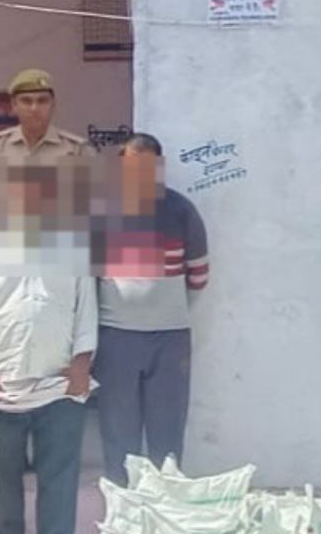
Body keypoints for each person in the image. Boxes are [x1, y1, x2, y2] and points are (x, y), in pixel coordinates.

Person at [0, 163, 98, 534]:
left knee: (60, 483)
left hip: (59, 387)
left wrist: (82, 365)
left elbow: (86, 313)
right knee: (1, 485)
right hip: (0, 388)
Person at [94, 133, 210, 484]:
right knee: (118, 433)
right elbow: (86, 279)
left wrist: (162, 309)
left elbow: (199, 276)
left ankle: (165, 506)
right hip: (116, 338)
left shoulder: (181, 211)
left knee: (167, 433)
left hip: (169, 340)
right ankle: (122, 505)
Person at [0, 68, 92, 205]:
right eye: (26, 101)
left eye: (42, 101)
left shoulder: (78, 150)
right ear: (14, 105)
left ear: (53, 105)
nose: (34, 108)